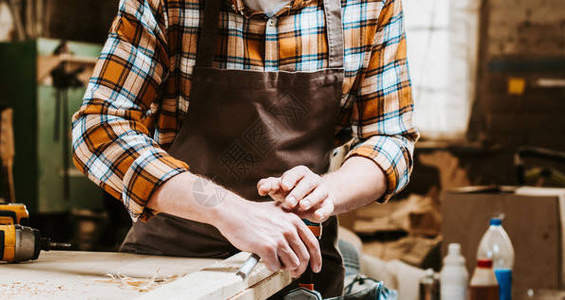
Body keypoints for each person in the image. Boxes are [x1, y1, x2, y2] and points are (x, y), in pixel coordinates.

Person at [72, 0, 418, 296]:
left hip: (297, 268)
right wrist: (224, 208)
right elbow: (97, 127)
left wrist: (325, 191)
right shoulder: (166, 3)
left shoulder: (369, 5)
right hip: (171, 264)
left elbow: (390, 138)